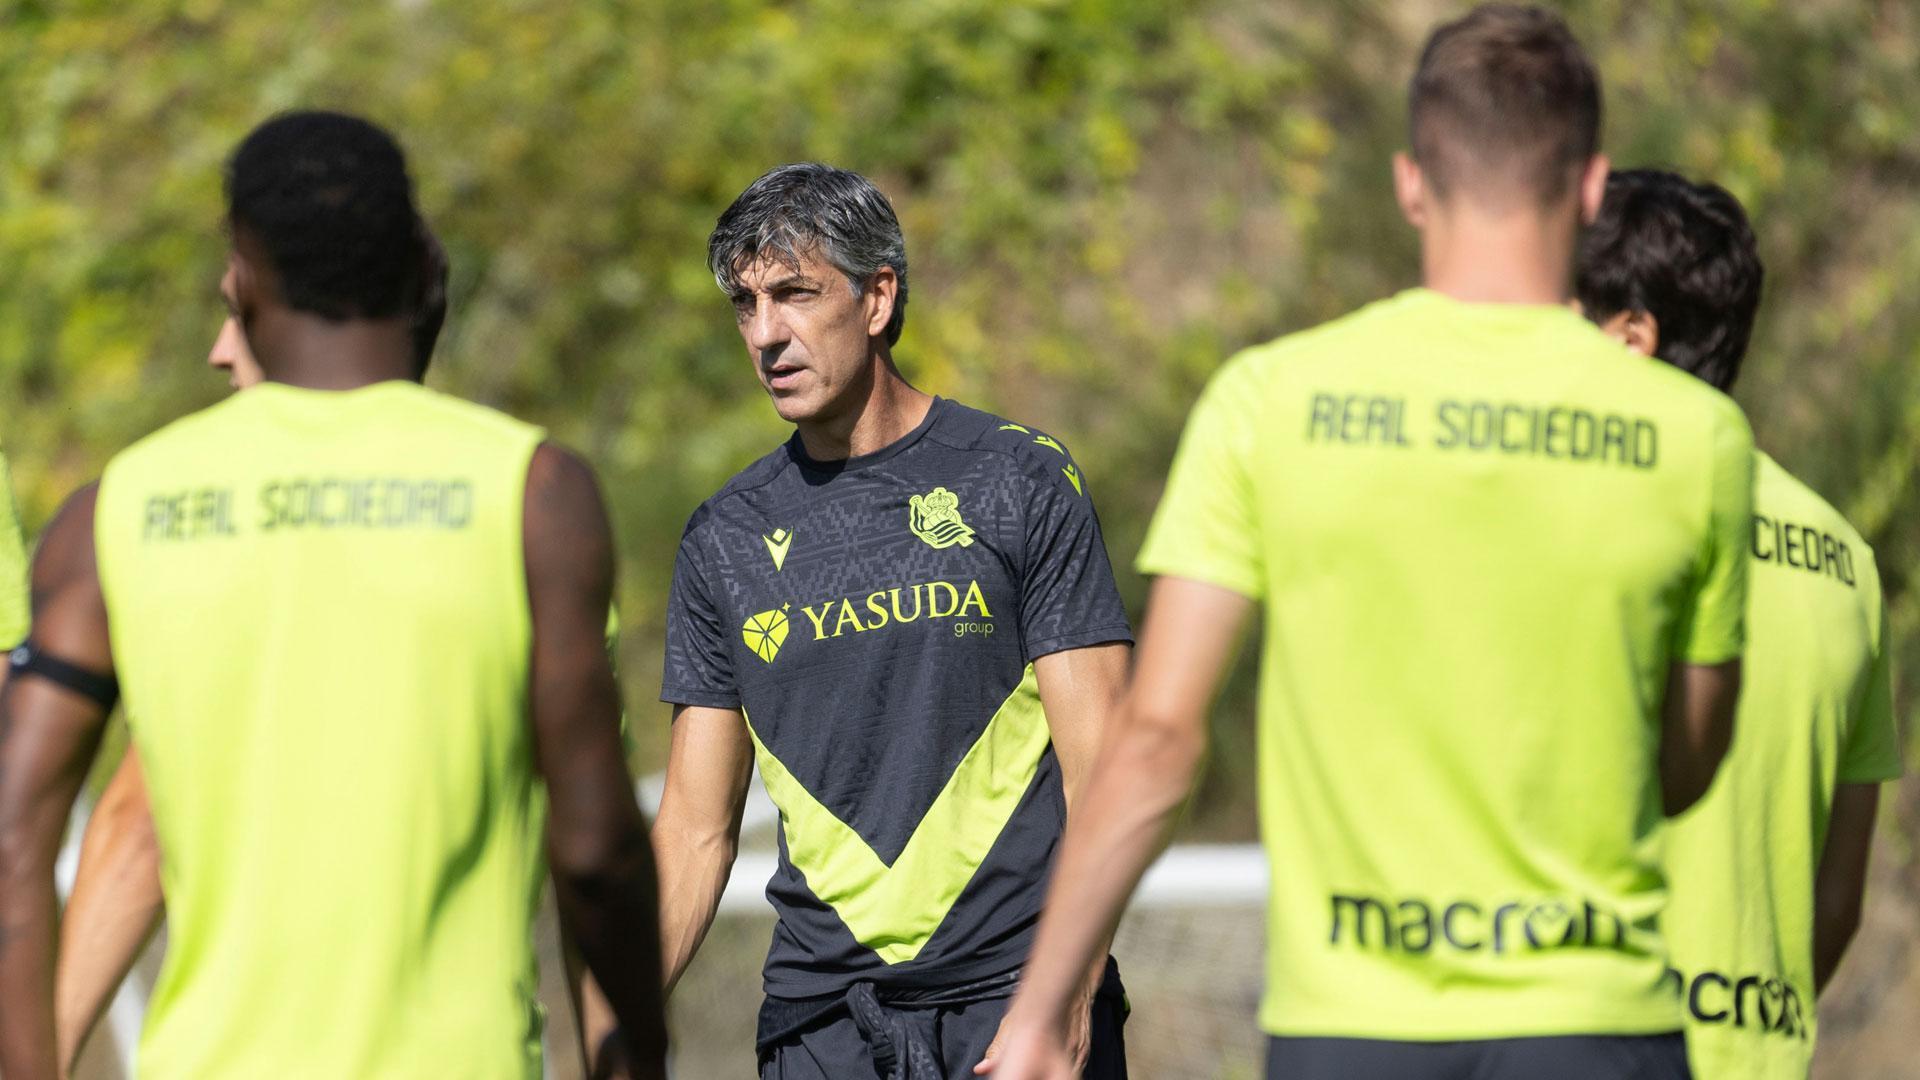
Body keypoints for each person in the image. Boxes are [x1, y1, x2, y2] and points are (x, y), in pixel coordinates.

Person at [988, 6, 1755, 1079]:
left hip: (1350, 1024)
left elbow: (1157, 741)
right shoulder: (1699, 437)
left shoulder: (1268, 400)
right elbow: (1685, 765)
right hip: (1596, 1020)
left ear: (1410, 185)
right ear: (1590, 190)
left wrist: (1042, 1009)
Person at [0, 111, 667, 1079]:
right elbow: (598, 852)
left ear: (241, 282)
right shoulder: (533, 497)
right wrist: (642, 1054)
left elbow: (15, 834)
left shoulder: (114, 514)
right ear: (425, 273)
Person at [647, 162, 1133, 1080]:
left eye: (795, 294)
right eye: (746, 306)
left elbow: (1105, 765)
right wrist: (610, 1024)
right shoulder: (724, 537)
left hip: (1015, 1007)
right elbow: (693, 833)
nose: (766, 334)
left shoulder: (1020, 478)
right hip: (822, 1026)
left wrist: (1070, 988)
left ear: (876, 298)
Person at [48, 229, 460, 1072]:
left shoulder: (192, 525)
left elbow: (138, 825)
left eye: (240, 316)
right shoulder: (521, 508)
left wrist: (35, 1051)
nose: (218, 350)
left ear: (315, 325)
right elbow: (594, 850)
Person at [1575, 168, 1902, 1080]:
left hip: (1589, 1039)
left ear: (1632, 337)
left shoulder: (1579, 518)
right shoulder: (1847, 561)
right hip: (1757, 1054)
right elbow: (1839, 897)